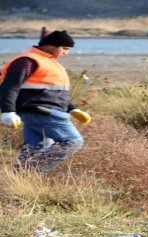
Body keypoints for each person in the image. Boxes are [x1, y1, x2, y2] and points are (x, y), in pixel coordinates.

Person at [0, 30, 91, 173]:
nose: (66, 53)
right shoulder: (27, 61)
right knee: (72, 141)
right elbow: (10, 86)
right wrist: (8, 111)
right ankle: (31, 174)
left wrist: (73, 109)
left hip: (40, 112)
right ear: (50, 46)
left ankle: (18, 179)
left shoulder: (49, 63)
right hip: (41, 112)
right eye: (65, 48)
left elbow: (54, 93)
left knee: (35, 147)